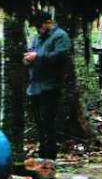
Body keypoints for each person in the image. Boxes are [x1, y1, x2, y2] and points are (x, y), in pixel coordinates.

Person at [24, 12, 72, 162]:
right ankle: (42, 153)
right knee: (39, 122)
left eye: (40, 26)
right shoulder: (38, 38)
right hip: (35, 85)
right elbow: (32, 50)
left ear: (48, 22)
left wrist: (38, 57)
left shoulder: (60, 36)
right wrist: (28, 58)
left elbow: (60, 57)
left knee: (48, 122)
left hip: (50, 86)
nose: (38, 30)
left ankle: (50, 156)